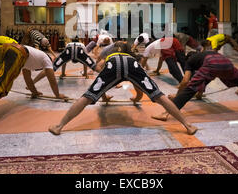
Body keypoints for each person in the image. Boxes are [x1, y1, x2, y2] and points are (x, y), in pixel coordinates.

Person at [48, 42, 199, 136]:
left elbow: (99, 70)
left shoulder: (110, 54)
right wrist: (137, 97)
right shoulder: (131, 58)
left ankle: (59, 126)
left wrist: (101, 93)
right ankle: (188, 125)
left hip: (112, 64)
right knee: (159, 96)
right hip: (132, 64)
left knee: (87, 96)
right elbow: (138, 86)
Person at [0, 43, 67, 130]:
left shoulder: (32, 57)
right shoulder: (46, 59)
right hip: (15, 52)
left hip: (2, 48)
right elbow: (51, 79)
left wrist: (34, 92)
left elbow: (27, 79)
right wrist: (57, 95)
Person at [151, 51, 238, 122]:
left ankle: (166, 113)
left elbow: (185, 82)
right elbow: (205, 80)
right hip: (226, 62)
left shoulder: (190, 62)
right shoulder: (205, 54)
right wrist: (200, 94)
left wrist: (177, 95)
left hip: (212, 64)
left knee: (190, 89)